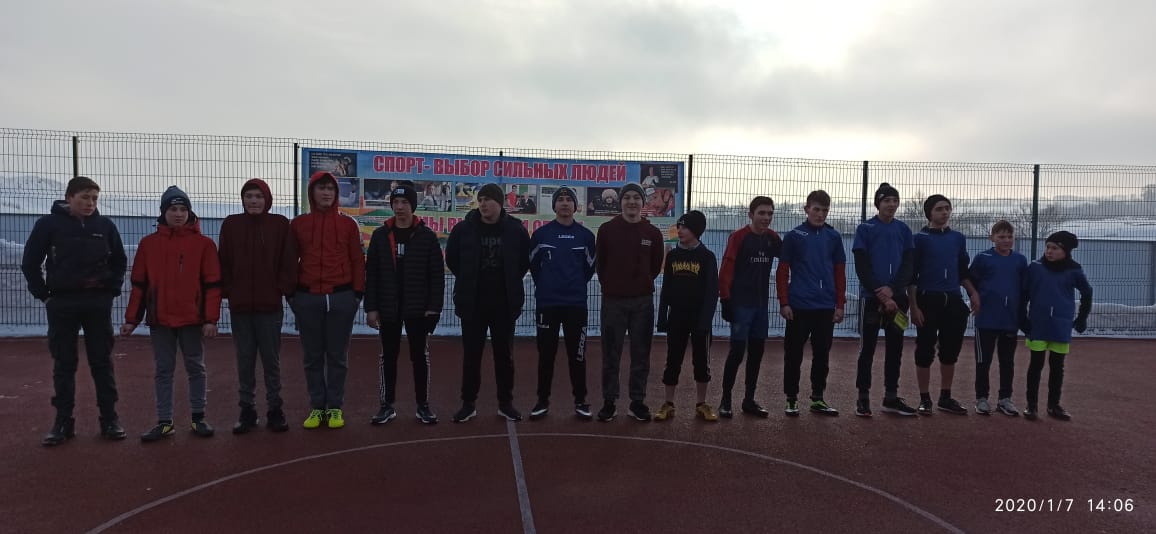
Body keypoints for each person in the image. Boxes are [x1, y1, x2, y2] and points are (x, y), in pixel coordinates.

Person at [22, 176, 128, 446]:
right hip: (62, 304)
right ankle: (62, 422)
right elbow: (30, 263)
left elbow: (119, 261)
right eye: (84, 197)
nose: (90, 203)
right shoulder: (48, 224)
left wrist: (111, 291)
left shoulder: (105, 226)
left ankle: (109, 419)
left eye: (94, 198)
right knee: (64, 364)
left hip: (97, 305)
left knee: (102, 362)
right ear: (69, 197)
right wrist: (45, 296)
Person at [122, 186, 222, 442]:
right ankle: (164, 421)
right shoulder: (148, 244)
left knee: (195, 367)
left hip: (192, 320)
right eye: (173, 209)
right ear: (163, 212)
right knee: (163, 370)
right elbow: (139, 285)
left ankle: (198, 417)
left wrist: (210, 319)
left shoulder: (204, 245)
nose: (178, 214)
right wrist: (132, 320)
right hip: (161, 320)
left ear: (190, 212)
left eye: (183, 209)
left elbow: (212, 285)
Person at [445, 183, 531, 422]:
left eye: (488, 200)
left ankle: (506, 403)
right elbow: (452, 259)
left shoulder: (515, 230)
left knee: (504, 355)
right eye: (480, 199)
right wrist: (468, 280)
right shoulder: (463, 229)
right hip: (473, 303)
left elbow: (523, 262)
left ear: (499, 203)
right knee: (472, 356)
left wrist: (509, 283)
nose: (483, 204)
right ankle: (468, 403)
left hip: (504, 303)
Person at [218, 178, 296, 434]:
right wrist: (229, 290)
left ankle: (275, 409)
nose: (253, 201)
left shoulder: (280, 224)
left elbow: (288, 260)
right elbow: (223, 261)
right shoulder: (231, 224)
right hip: (240, 307)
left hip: (269, 306)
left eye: (259, 196)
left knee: (271, 361)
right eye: (249, 196)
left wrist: (280, 287)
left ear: (267, 199)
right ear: (242, 199)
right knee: (245, 360)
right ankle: (247, 410)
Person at [290, 171, 366, 430]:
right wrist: (293, 295)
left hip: (341, 298)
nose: (326, 193)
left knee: (337, 356)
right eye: (321, 188)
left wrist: (356, 295)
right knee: (312, 357)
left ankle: (334, 407)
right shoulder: (298, 224)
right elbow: (290, 261)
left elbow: (357, 260)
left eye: (330, 189)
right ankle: (317, 407)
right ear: (312, 193)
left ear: (336, 194)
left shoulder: (348, 225)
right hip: (308, 298)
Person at [365, 182, 445, 425]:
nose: (399, 207)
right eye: (396, 202)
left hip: (418, 309)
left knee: (419, 357)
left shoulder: (427, 237)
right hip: (388, 308)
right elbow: (372, 274)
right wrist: (371, 307)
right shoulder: (380, 236)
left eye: (405, 203)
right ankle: (386, 405)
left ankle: (423, 405)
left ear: (413, 206)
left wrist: (434, 308)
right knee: (388, 357)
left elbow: (436, 276)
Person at [595, 182, 664, 422]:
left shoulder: (652, 233)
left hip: (642, 303)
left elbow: (654, 266)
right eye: (627, 197)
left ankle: (637, 402)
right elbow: (601, 264)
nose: (632, 201)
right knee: (610, 354)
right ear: (620, 201)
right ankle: (609, 401)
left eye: (636, 197)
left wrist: (639, 284)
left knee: (641, 354)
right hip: (613, 302)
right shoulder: (607, 230)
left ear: (643, 202)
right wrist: (613, 286)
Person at [907, 195, 981, 415]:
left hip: (953, 301)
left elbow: (963, 272)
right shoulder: (918, 239)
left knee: (950, 352)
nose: (945, 212)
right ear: (929, 213)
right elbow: (912, 277)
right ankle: (924, 399)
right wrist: (914, 307)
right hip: (927, 300)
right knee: (924, 351)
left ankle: (945, 397)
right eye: (939, 209)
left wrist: (973, 293)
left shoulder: (958, 238)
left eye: (947, 208)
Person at [528, 186, 596, 420]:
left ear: (575, 206)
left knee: (577, 356)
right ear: (554, 205)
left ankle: (581, 401)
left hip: (576, 305)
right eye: (561, 199)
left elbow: (588, 269)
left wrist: (572, 286)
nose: (565, 203)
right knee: (546, 355)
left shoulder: (586, 236)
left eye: (569, 200)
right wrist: (548, 286)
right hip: (547, 304)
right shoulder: (541, 235)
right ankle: (542, 401)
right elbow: (534, 266)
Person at [776, 190, 846, 416]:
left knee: (822, 356)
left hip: (825, 307)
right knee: (793, 355)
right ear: (806, 209)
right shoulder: (794, 236)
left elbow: (840, 273)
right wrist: (784, 302)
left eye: (825, 210)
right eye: (816, 209)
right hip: (799, 306)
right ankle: (791, 399)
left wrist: (840, 304)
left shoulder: (834, 237)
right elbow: (782, 271)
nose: (820, 214)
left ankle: (817, 398)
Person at [853, 183, 917, 417]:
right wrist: (880, 292)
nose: (891, 204)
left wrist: (892, 289)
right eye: (886, 200)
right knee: (867, 349)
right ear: (878, 203)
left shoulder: (904, 230)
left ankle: (891, 397)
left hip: (898, 300)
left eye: (895, 200)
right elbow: (862, 266)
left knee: (895, 349)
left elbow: (908, 265)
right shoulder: (865, 229)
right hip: (871, 299)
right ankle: (863, 398)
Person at [718, 196, 781, 418]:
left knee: (757, 353)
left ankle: (749, 400)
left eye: (770, 213)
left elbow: (790, 258)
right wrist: (725, 299)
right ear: (751, 214)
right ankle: (725, 400)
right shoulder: (738, 237)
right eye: (762, 213)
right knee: (737, 352)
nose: (766, 217)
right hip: (741, 306)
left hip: (761, 307)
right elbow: (726, 269)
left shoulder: (773, 238)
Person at [653, 211, 719, 422]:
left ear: (696, 231)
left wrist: (705, 321)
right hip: (677, 318)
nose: (680, 230)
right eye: (679, 226)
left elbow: (712, 292)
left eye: (685, 227)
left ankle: (702, 403)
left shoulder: (707, 257)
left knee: (701, 362)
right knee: (673, 360)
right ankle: (668, 403)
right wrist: (662, 317)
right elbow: (666, 288)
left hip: (699, 319)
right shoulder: (673, 256)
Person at [1020, 231, 1092, 421]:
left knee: (1057, 366)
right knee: (1035, 365)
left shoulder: (1074, 270)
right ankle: (1031, 405)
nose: (1049, 251)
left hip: (1061, 324)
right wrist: (1023, 319)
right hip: (1038, 324)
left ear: (1066, 251)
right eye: (1048, 247)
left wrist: (1082, 318)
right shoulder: (1035, 267)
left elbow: (1087, 292)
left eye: (1055, 248)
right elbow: (1024, 293)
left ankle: (1054, 405)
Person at [968, 220, 1028, 416]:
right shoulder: (982, 258)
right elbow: (970, 281)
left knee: (1007, 362)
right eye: (1001, 236)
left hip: (1009, 320)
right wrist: (974, 296)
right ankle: (981, 398)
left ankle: (1005, 399)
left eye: (1010, 237)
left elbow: (1024, 288)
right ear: (992, 238)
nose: (1006, 240)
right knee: (983, 361)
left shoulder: (1020, 260)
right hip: (986, 319)